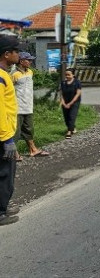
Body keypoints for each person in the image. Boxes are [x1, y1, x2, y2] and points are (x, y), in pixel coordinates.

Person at [12, 52, 49, 159]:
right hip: (17, 108)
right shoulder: (13, 74)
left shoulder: (30, 72)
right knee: (16, 131)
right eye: (28, 60)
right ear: (21, 61)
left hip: (28, 107)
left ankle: (33, 149)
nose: (31, 62)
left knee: (29, 129)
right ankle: (14, 154)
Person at [0, 34, 21, 226]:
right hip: (2, 136)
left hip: (4, 133)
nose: (19, 54)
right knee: (5, 173)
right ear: (7, 54)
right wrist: (7, 139)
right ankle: (0, 212)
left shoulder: (4, 74)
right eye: (16, 51)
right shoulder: (0, 76)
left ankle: (3, 205)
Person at [60, 68, 82, 139]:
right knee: (66, 118)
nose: (67, 76)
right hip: (65, 103)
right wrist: (63, 103)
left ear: (73, 75)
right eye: (66, 75)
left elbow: (78, 94)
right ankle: (72, 127)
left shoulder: (77, 82)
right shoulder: (63, 83)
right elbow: (61, 94)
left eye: (68, 75)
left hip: (75, 102)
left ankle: (69, 131)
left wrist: (70, 103)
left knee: (72, 116)